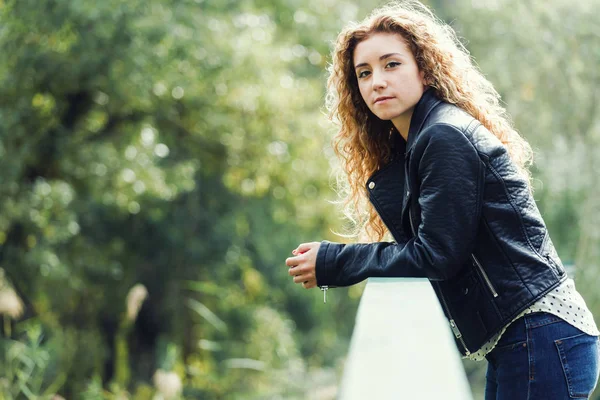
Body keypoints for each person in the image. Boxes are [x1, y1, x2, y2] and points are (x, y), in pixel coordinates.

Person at [284, 1, 600, 398]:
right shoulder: (420, 142)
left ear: (425, 68)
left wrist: (335, 261)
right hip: (529, 338)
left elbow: (436, 254)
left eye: (391, 64)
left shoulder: (442, 136)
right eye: (363, 73)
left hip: (539, 334)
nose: (376, 81)